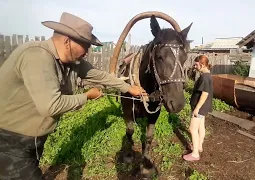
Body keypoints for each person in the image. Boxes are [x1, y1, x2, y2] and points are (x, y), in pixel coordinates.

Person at [0, 12, 147, 180]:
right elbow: (51, 105)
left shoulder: (71, 62)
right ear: (67, 41)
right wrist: (86, 96)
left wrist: (128, 88)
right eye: (85, 45)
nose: (88, 51)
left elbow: (99, 76)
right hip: (9, 139)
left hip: (31, 139)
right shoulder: (37, 56)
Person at [183, 55, 213, 161]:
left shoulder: (204, 77)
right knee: (201, 127)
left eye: (196, 64)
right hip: (204, 107)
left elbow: (204, 94)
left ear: (202, 64)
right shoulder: (208, 75)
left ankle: (195, 154)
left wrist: (196, 108)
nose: (194, 66)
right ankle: (199, 146)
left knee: (192, 129)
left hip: (200, 108)